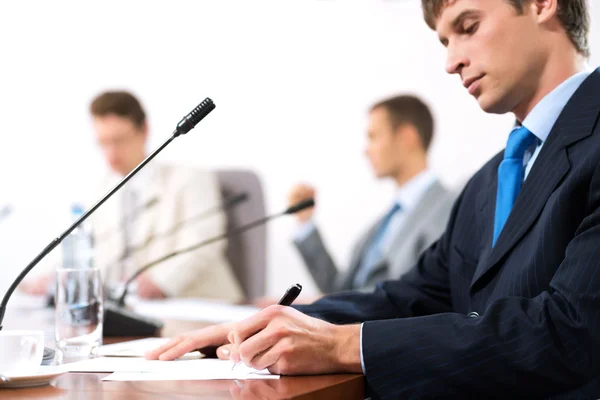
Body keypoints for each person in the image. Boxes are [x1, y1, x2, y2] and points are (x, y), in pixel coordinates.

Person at [147, 0, 600, 397]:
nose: (451, 61)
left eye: (467, 26)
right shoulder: (489, 182)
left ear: (543, 4)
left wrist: (343, 344)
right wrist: (263, 324)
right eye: (444, 41)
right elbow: (412, 296)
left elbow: (569, 333)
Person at [22, 91, 243, 302]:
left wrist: (161, 282)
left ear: (144, 130)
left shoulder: (189, 178)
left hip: (197, 305)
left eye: (119, 140)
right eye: (103, 142)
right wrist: (52, 278)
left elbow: (203, 243)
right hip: (135, 310)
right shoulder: (100, 191)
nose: (111, 153)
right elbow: (87, 250)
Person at [289, 95, 454, 294]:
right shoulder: (386, 221)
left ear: (406, 137)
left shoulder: (447, 209)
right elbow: (340, 291)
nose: (366, 150)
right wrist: (306, 222)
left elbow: (413, 296)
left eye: (374, 137)